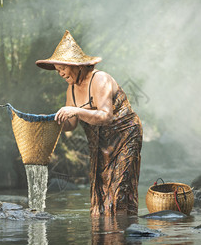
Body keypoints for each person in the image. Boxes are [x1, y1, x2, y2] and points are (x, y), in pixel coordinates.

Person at [36, 30, 143, 216]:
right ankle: (104, 237)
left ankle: (122, 235)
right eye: (57, 69)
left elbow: (105, 116)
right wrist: (54, 121)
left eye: (62, 68)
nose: (60, 73)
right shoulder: (71, 89)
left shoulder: (99, 79)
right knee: (100, 196)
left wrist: (75, 110)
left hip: (125, 136)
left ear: (77, 66)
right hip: (99, 144)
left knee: (119, 189)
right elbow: (71, 125)